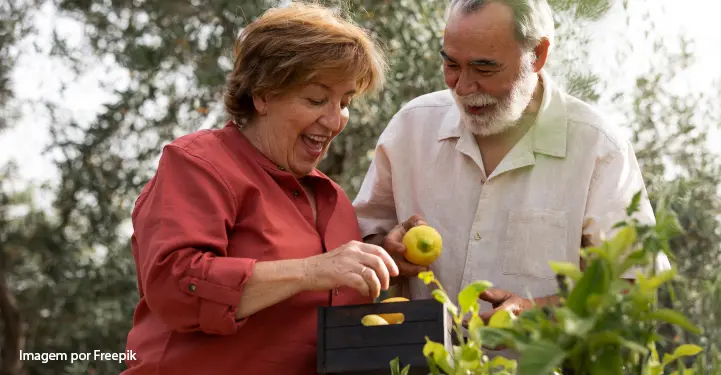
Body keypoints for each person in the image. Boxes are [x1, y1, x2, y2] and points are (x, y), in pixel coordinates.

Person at [353, 0, 670, 327]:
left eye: (484, 68)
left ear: (539, 54)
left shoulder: (598, 148)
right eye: (451, 65)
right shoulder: (411, 128)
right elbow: (360, 244)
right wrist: (387, 253)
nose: (463, 87)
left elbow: (635, 286)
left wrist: (543, 311)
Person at [121, 3, 397, 374]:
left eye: (345, 103)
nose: (334, 121)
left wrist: (385, 259)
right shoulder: (199, 162)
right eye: (316, 99)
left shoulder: (333, 200)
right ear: (263, 95)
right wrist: (311, 271)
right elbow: (175, 285)